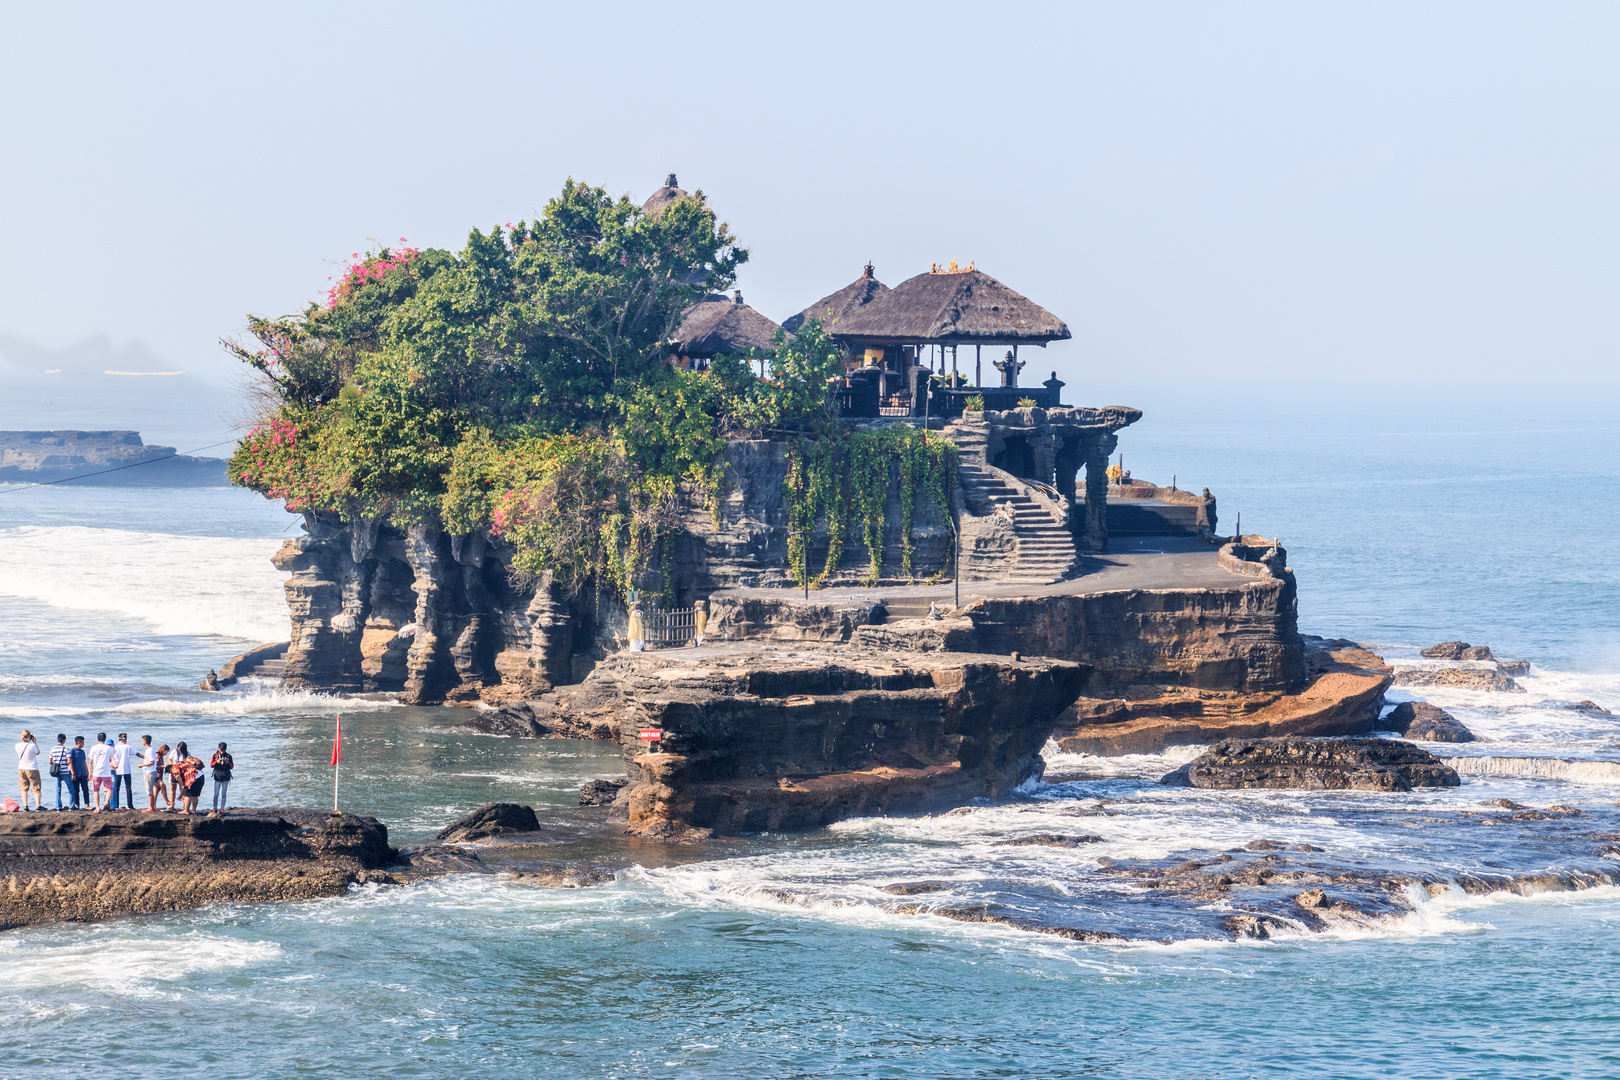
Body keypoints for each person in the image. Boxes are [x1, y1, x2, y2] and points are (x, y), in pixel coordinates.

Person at [171, 742, 204, 815]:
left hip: (193, 777)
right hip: (201, 775)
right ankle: (193, 810)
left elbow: (178, 776)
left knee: (187, 794)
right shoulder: (186, 760)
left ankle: (186, 810)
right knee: (195, 794)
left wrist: (182, 786)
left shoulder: (174, 767)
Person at [87, 732, 114, 812]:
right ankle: (106, 802)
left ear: (97, 739)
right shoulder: (108, 748)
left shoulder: (93, 748)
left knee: (96, 790)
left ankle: (97, 807)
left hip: (96, 772)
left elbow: (91, 761)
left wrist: (90, 772)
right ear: (105, 739)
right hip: (106, 772)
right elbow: (111, 760)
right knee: (109, 789)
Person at [15, 730, 41, 812]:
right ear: (29, 737)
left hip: (21, 768)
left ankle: (25, 806)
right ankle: (38, 806)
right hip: (32, 768)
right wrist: (35, 742)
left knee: (24, 788)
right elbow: (38, 752)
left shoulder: (17, 745)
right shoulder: (32, 746)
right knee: (36, 787)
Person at [109, 732, 134, 810]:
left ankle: (115, 805)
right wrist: (145, 758)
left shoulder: (114, 747)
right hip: (126, 770)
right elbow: (137, 753)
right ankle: (130, 805)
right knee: (128, 788)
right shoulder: (128, 747)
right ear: (125, 739)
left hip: (117, 770)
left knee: (116, 788)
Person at [47, 734, 73, 810]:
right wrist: (65, 763)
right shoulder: (66, 749)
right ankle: (71, 806)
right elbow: (68, 761)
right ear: (64, 740)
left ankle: (58, 807)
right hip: (65, 771)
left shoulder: (52, 749)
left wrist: (56, 764)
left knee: (58, 789)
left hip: (56, 772)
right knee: (70, 788)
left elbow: (50, 761)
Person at [209, 742, 234, 815]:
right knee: (216, 794)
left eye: (224, 750)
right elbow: (211, 765)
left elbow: (232, 766)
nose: (222, 752)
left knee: (224, 794)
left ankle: (222, 809)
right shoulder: (215, 755)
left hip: (226, 777)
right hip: (217, 777)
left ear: (226, 749)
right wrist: (216, 762)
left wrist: (227, 762)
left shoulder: (228, 756)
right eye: (221, 750)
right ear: (218, 749)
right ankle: (215, 808)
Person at [137, 735, 160, 812]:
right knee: (150, 790)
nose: (142, 742)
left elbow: (152, 762)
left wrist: (142, 765)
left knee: (149, 790)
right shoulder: (150, 750)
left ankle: (151, 808)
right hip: (150, 771)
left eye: (142, 740)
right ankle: (152, 807)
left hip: (149, 772)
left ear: (145, 741)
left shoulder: (149, 750)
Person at [68, 736, 90, 810]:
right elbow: (70, 762)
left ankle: (87, 804)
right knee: (76, 790)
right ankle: (77, 804)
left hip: (83, 773)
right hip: (76, 773)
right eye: (82, 742)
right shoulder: (72, 751)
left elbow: (84, 762)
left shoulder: (82, 752)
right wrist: (72, 773)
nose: (83, 744)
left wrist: (88, 772)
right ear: (78, 742)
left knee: (85, 789)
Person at [153, 743, 173, 810]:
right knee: (162, 785)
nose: (166, 754)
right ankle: (167, 801)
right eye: (166, 752)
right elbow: (154, 766)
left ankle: (153, 806)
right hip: (155, 775)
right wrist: (163, 766)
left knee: (156, 791)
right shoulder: (158, 755)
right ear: (163, 750)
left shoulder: (161, 756)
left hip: (159, 775)